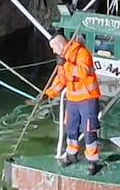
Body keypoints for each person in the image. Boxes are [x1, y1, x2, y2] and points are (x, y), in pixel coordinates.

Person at [42, 33, 102, 175]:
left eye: (54, 48)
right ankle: (71, 154)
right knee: (71, 127)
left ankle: (93, 161)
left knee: (89, 130)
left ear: (60, 45)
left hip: (88, 98)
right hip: (73, 100)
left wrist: (66, 64)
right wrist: (48, 94)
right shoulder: (63, 60)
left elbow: (83, 72)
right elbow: (61, 79)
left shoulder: (82, 53)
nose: (53, 51)